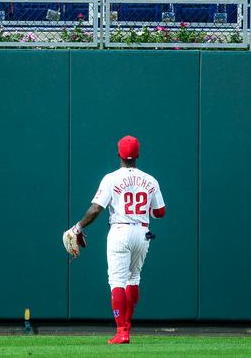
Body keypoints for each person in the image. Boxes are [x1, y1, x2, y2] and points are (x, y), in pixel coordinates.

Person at [63, 135, 166, 345]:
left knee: (117, 281)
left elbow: (96, 209)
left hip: (120, 231)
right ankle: (127, 327)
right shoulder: (151, 180)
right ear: (138, 155)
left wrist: (78, 227)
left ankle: (121, 332)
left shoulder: (111, 178)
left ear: (118, 154)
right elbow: (160, 212)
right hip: (142, 233)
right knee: (134, 278)